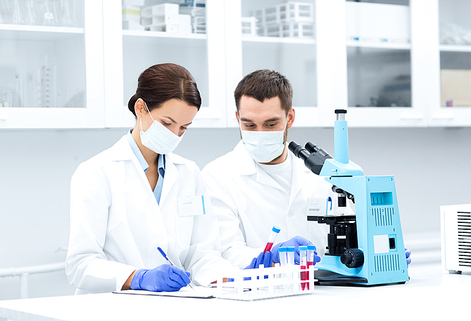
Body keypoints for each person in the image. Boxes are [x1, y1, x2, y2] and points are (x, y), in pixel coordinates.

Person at [201, 69, 412, 269]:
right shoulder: (216, 177)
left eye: (271, 124)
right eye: (249, 125)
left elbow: (356, 232)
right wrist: (274, 254)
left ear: (290, 118)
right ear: (238, 119)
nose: (260, 133)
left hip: (331, 293)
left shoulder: (324, 173)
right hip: (264, 293)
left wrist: (381, 250)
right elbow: (227, 252)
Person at [65, 63, 235, 294]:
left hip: (173, 305)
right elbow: (80, 265)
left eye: (184, 127)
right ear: (141, 108)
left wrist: (231, 278)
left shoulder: (189, 173)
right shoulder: (96, 173)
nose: (174, 135)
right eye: (167, 123)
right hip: (112, 308)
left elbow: (202, 253)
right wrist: (138, 278)